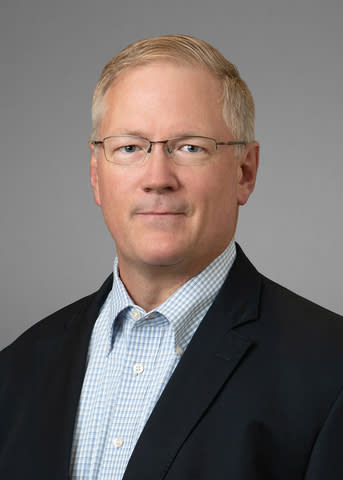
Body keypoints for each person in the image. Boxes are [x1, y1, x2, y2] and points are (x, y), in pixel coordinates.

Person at [1, 34, 343, 480]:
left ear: (245, 172)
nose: (157, 178)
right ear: (95, 174)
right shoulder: (17, 369)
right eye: (129, 147)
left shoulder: (329, 370)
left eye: (190, 147)